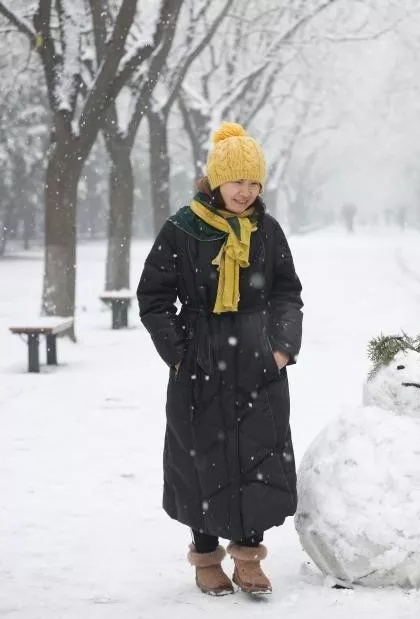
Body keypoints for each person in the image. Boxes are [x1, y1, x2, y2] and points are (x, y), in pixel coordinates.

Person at [137, 122, 303, 596]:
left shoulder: (267, 231)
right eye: (237, 181)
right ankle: (206, 554)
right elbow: (153, 296)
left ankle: (249, 556)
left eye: (254, 182)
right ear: (215, 180)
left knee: (260, 454)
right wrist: (179, 353)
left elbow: (288, 293)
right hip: (200, 360)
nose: (245, 191)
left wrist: (281, 348)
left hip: (257, 359)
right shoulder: (182, 229)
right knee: (200, 457)